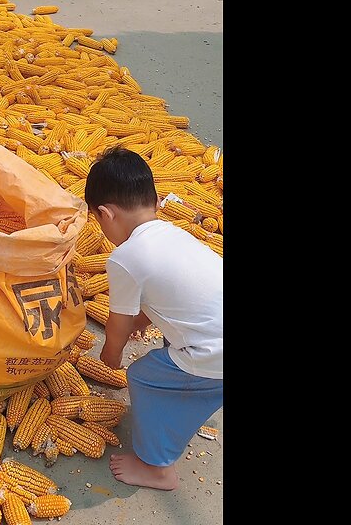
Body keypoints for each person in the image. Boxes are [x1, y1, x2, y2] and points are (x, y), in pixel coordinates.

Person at [84, 146, 223, 491]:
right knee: (180, 358)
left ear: (106, 214)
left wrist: (111, 356)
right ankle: (199, 394)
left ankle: (157, 469)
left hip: (214, 353)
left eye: (98, 222)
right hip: (216, 335)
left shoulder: (125, 258)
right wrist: (142, 324)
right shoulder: (175, 235)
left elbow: (118, 320)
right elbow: (163, 297)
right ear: (157, 200)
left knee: (144, 376)